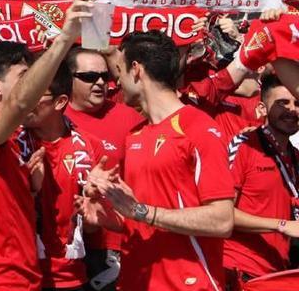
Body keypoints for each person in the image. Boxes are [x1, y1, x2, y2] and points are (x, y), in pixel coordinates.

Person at [0, 0, 92, 291]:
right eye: (24, 77)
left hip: (21, 280)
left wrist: (30, 189)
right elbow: (18, 104)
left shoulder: (12, 139)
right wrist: (64, 40)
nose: (36, 86)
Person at [80, 31, 234, 291]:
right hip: (136, 281)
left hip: (187, 284)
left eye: (118, 70)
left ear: (136, 70)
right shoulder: (135, 135)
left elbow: (222, 220)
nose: (115, 80)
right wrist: (105, 215)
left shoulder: (197, 127)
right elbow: (141, 215)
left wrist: (141, 211)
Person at [63, 48, 144, 290]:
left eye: (104, 76)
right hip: (63, 244)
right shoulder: (52, 116)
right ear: (68, 79)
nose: (99, 82)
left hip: (113, 243)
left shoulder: (129, 117)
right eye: (89, 77)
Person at [17, 62, 101, 291]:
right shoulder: (9, 143)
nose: (23, 102)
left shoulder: (90, 146)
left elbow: (93, 226)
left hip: (72, 277)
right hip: (19, 276)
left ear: (60, 102)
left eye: (34, 94)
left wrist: (93, 209)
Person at [223, 73, 299, 288]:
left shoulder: (295, 157)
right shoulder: (245, 145)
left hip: (277, 273)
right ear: (262, 109)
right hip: (240, 270)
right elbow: (221, 214)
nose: (291, 110)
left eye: (297, 103)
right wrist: (283, 226)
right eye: (282, 103)